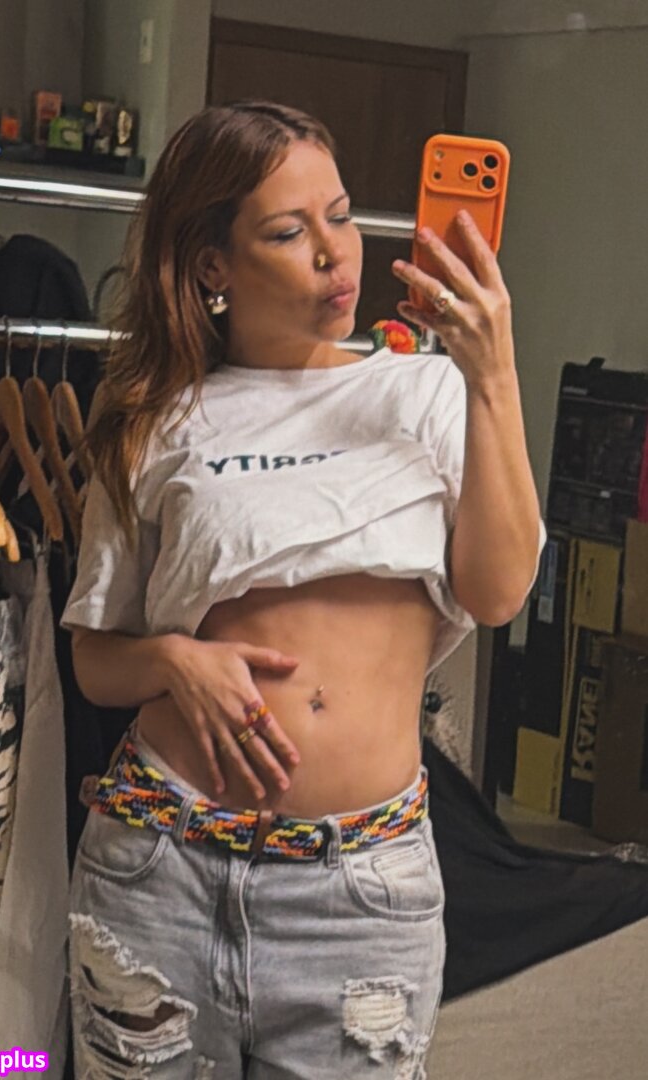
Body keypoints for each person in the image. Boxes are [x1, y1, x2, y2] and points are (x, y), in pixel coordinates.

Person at [61, 100, 546, 1080]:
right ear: (212, 266)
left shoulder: (428, 392)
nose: (337, 253)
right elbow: (95, 660)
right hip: (159, 866)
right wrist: (176, 661)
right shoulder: (154, 418)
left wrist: (493, 375)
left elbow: (497, 592)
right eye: (288, 231)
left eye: (342, 215)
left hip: (359, 895)